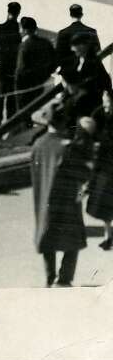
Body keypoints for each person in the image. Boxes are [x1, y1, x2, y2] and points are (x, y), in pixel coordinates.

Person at [30, 103, 88, 286]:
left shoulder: (37, 146)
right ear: (64, 122)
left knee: (48, 235)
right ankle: (64, 278)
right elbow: (83, 173)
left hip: (44, 198)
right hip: (67, 200)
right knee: (73, 239)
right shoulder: (67, 147)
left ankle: (49, 276)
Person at [83, 90, 113, 250]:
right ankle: (109, 236)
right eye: (104, 101)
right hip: (105, 165)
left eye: (108, 101)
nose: (106, 105)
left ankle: (109, 237)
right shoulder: (100, 114)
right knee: (105, 205)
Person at [61, 34, 112, 121]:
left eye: (75, 46)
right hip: (76, 100)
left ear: (84, 46)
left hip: (88, 103)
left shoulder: (94, 63)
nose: (72, 49)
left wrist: (82, 88)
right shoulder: (77, 60)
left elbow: (104, 82)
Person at [0, 2, 23, 128]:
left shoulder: (1, 28)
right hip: (10, 72)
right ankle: (6, 129)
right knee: (10, 104)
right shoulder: (18, 30)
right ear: (18, 13)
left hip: (2, 72)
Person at [15, 17, 57, 114]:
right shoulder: (46, 43)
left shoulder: (24, 45)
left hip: (24, 87)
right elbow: (54, 62)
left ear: (23, 29)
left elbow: (20, 69)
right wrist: (45, 75)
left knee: (24, 114)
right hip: (41, 83)